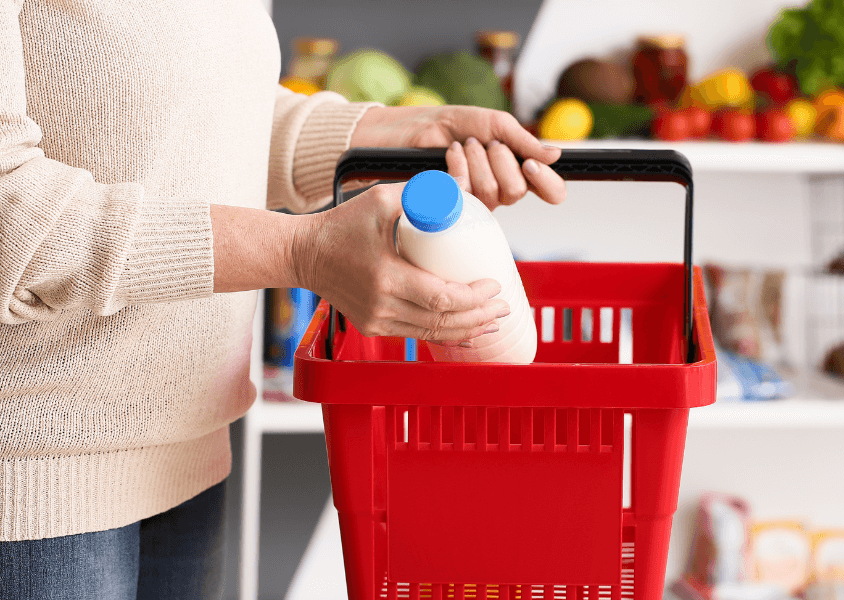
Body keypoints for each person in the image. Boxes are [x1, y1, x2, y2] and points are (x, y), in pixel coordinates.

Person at [0, 2, 567, 598]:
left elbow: (196, 111)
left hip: (190, 449)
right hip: (35, 483)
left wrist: (388, 133)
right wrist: (304, 254)